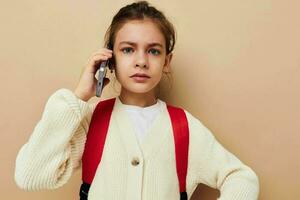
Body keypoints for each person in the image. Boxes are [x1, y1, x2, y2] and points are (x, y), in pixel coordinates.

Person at [14, 1, 259, 199]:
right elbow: (30, 176)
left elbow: (242, 177)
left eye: (153, 50)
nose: (141, 61)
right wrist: (79, 97)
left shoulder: (183, 127)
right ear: (110, 60)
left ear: (166, 61)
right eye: (128, 49)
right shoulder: (91, 120)